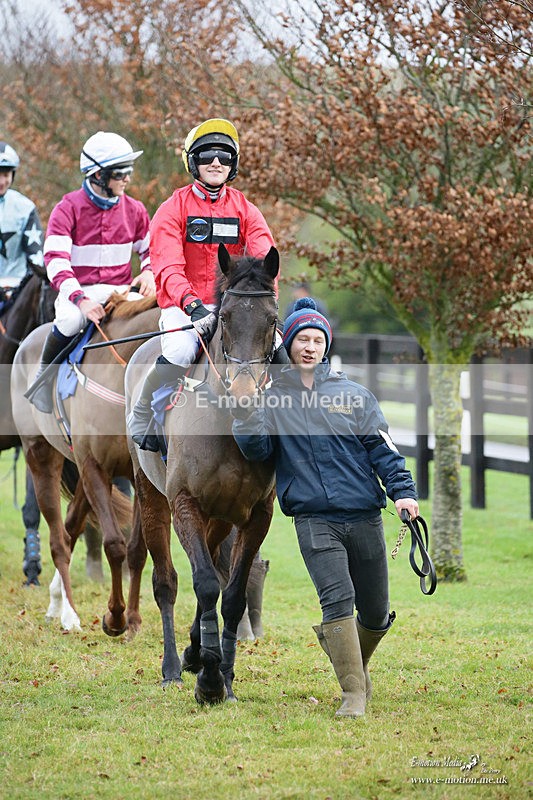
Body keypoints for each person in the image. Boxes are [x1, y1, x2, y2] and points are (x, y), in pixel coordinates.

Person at [232, 297, 419, 719]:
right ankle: (353, 694)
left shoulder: (355, 396)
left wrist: (403, 492)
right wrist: (246, 413)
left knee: (375, 612)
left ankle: (346, 654)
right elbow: (257, 449)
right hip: (314, 519)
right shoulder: (273, 399)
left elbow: (383, 450)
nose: (310, 347)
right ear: (289, 345)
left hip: (364, 516)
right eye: (303, 339)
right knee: (338, 600)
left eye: (318, 340)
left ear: (326, 346)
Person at [127, 117, 287, 453]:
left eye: (224, 156)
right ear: (193, 162)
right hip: (185, 306)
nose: (216, 162)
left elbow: (265, 258)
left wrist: (264, 300)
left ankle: (298, 423)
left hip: (234, 305)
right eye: (207, 155)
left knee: (277, 346)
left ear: (233, 165)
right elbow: (168, 266)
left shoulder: (246, 209)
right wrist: (191, 305)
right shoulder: (172, 209)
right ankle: (143, 412)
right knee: (179, 351)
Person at [28, 131, 155, 413]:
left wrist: (148, 272)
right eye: (120, 173)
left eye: (129, 171)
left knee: (152, 317)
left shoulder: (136, 210)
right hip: (78, 292)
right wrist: (81, 300)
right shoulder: (67, 208)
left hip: (120, 292)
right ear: (98, 175)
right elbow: (56, 262)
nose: (127, 179)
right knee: (70, 321)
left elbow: (151, 251)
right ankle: (42, 380)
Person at [0, 141, 46, 585]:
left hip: (17, 294)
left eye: (6, 173)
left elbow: (36, 257)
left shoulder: (24, 208)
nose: (1, 180)